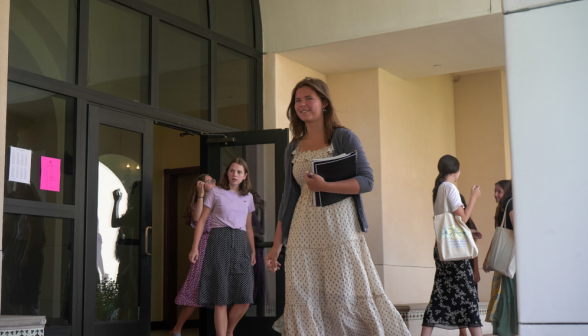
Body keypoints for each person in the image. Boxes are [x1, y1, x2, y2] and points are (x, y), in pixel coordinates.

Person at [265, 77, 410, 335]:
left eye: (309, 98)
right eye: (297, 100)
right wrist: (276, 246)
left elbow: (367, 181)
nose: (302, 104)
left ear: (324, 103)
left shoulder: (342, 137)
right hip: (302, 231)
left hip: (339, 229)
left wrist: (326, 187)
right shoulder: (292, 148)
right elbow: (288, 199)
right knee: (303, 297)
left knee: (345, 296)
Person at [190, 158, 256, 336]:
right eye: (232, 171)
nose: (235, 174)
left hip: (242, 244)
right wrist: (195, 247)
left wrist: (253, 251)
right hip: (219, 241)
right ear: (227, 173)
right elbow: (202, 220)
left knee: (245, 297)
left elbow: (249, 227)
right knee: (221, 297)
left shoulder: (248, 197)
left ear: (245, 176)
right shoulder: (216, 192)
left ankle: (229, 330)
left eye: (239, 172)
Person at [421, 155, 483, 336]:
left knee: (439, 295)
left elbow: (449, 224)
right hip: (456, 254)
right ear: (456, 171)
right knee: (469, 296)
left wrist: (469, 232)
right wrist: (473, 197)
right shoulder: (450, 188)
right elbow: (462, 219)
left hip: (442, 249)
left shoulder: (438, 189)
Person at [170, 174, 216, 336]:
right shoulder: (198, 203)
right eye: (209, 181)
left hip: (219, 247)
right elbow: (197, 219)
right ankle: (177, 329)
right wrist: (200, 194)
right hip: (203, 248)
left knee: (221, 290)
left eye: (213, 180)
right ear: (201, 184)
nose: (214, 183)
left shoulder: (219, 201)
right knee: (195, 290)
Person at [484, 182, 517, 336]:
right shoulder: (507, 206)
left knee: (506, 293)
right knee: (509, 294)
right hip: (511, 261)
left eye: (499, 191)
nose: (496, 195)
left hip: (507, 260)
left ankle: (503, 328)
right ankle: (508, 328)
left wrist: (488, 258)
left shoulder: (506, 206)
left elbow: (500, 236)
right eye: (495, 191)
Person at [459, 194, 483, 336]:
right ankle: (462, 332)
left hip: (467, 266)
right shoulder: (452, 223)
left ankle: (465, 332)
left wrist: (476, 270)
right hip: (456, 266)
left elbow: (474, 251)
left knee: (469, 300)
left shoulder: (468, 223)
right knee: (460, 301)